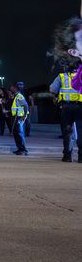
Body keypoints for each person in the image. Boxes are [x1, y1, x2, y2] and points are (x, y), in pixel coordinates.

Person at [52, 15, 82, 162]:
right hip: (81, 107)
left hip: (66, 107)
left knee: (67, 131)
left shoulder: (62, 77)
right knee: (81, 132)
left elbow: (52, 89)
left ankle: (67, 155)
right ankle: (81, 157)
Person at [9, 82, 29, 155]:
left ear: (15, 88)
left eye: (11, 87)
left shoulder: (19, 96)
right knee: (16, 134)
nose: (10, 88)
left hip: (19, 117)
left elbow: (25, 106)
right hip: (16, 116)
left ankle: (23, 149)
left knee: (19, 133)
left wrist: (24, 116)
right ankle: (19, 149)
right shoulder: (15, 96)